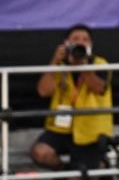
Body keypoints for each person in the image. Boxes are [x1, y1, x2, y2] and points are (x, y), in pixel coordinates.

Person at [31, 25, 113, 171]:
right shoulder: (60, 64)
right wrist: (54, 61)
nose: (80, 43)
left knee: (82, 174)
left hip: (90, 130)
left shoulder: (100, 63)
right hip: (61, 127)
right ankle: (66, 171)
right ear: (66, 43)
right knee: (40, 152)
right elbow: (43, 91)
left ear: (91, 45)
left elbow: (99, 87)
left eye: (85, 40)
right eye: (75, 39)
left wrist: (82, 66)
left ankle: (88, 170)